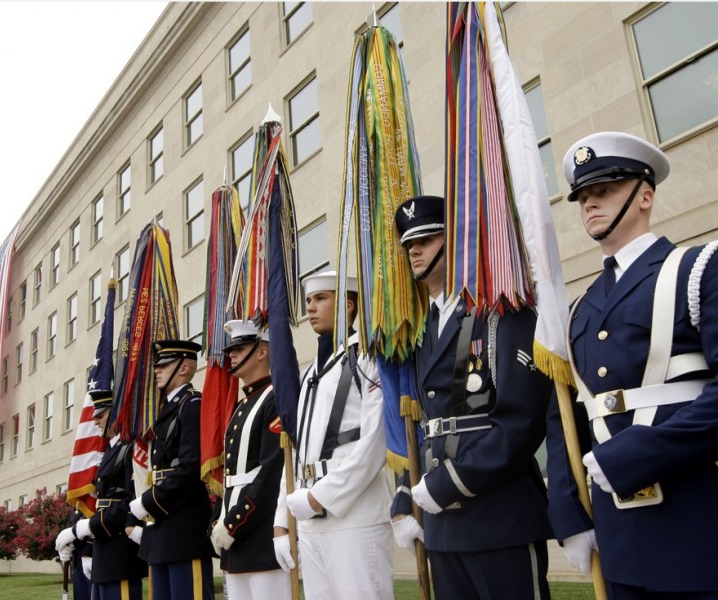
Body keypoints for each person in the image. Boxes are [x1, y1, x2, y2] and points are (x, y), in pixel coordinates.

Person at [545, 131, 718, 599]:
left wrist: (634, 456)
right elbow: (566, 416)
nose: (590, 205)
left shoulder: (699, 268)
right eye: (583, 197)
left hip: (697, 527)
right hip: (619, 538)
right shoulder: (579, 308)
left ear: (645, 195)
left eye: (605, 191)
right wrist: (568, 513)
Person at [390, 195, 554, 599]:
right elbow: (418, 420)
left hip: (499, 515)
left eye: (427, 238)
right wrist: (404, 489)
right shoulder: (418, 331)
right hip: (443, 527)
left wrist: (450, 482)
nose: (414, 249)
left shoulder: (500, 309)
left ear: (457, 241)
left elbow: (521, 420)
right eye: (409, 242)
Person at [273, 270, 394, 600]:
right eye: (309, 300)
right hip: (310, 519)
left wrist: (318, 497)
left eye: (321, 298)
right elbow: (300, 451)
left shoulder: (367, 357)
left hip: (354, 516)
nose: (310, 307)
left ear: (349, 305)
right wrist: (282, 519)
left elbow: (374, 441)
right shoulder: (311, 372)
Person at [209, 320, 291, 599]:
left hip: (259, 534)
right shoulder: (242, 404)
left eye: (239, 348)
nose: (231, 354)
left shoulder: (274, 397)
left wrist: (234, 523)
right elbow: (231, 476)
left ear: (262, 352)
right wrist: (219, 519)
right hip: (235, 535)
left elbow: (270, 474)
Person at [128, 340, 214, 600]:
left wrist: (147, 501)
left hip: (184, 528)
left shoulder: (192, 406)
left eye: (164, 365)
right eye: (157, 365)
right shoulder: (168, 410)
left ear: (185, 368)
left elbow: (189, 468)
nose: (157, 370)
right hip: (163, 529)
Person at [67, 389, 147, 600]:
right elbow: (102, 505)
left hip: (120, 552)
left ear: (117, 413)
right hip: (105, 549)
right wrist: (89, 549)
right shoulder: (113, 450)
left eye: (101, 415)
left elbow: (130, 500)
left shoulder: (130, 448)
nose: (95, 421)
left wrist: (88, 527)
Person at [56, 508, 93, 599]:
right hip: (78, 564)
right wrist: (66, 544)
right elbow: (73, 526)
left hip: (96, 559)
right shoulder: (78, 508)